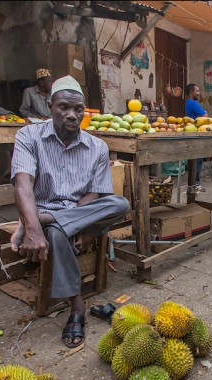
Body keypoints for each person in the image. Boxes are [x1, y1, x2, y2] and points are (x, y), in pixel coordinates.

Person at [10, 75, 131, 348]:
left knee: (120, 204)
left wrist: (72, 222)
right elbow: (23, 184)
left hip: (81, 211)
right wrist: (34, 226)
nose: (72, 115)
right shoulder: (29, 136)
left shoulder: (97, 146)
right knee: (54, 234)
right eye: (64, 107)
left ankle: (46, 222)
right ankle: (77, 307)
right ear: (50, 105)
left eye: (78, 109)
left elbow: (96, 193)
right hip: (42, 209)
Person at [184, 83, 208, 191]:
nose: (199, 93)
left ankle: (192, 183)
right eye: (197, 91)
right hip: (195, 133)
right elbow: (205, 116)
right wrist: (205, 113)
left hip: (192, 132)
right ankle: (195, 183)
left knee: (194, 159)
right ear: (191, 92)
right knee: (197, 160)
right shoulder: (192, 103)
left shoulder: (188, 103)